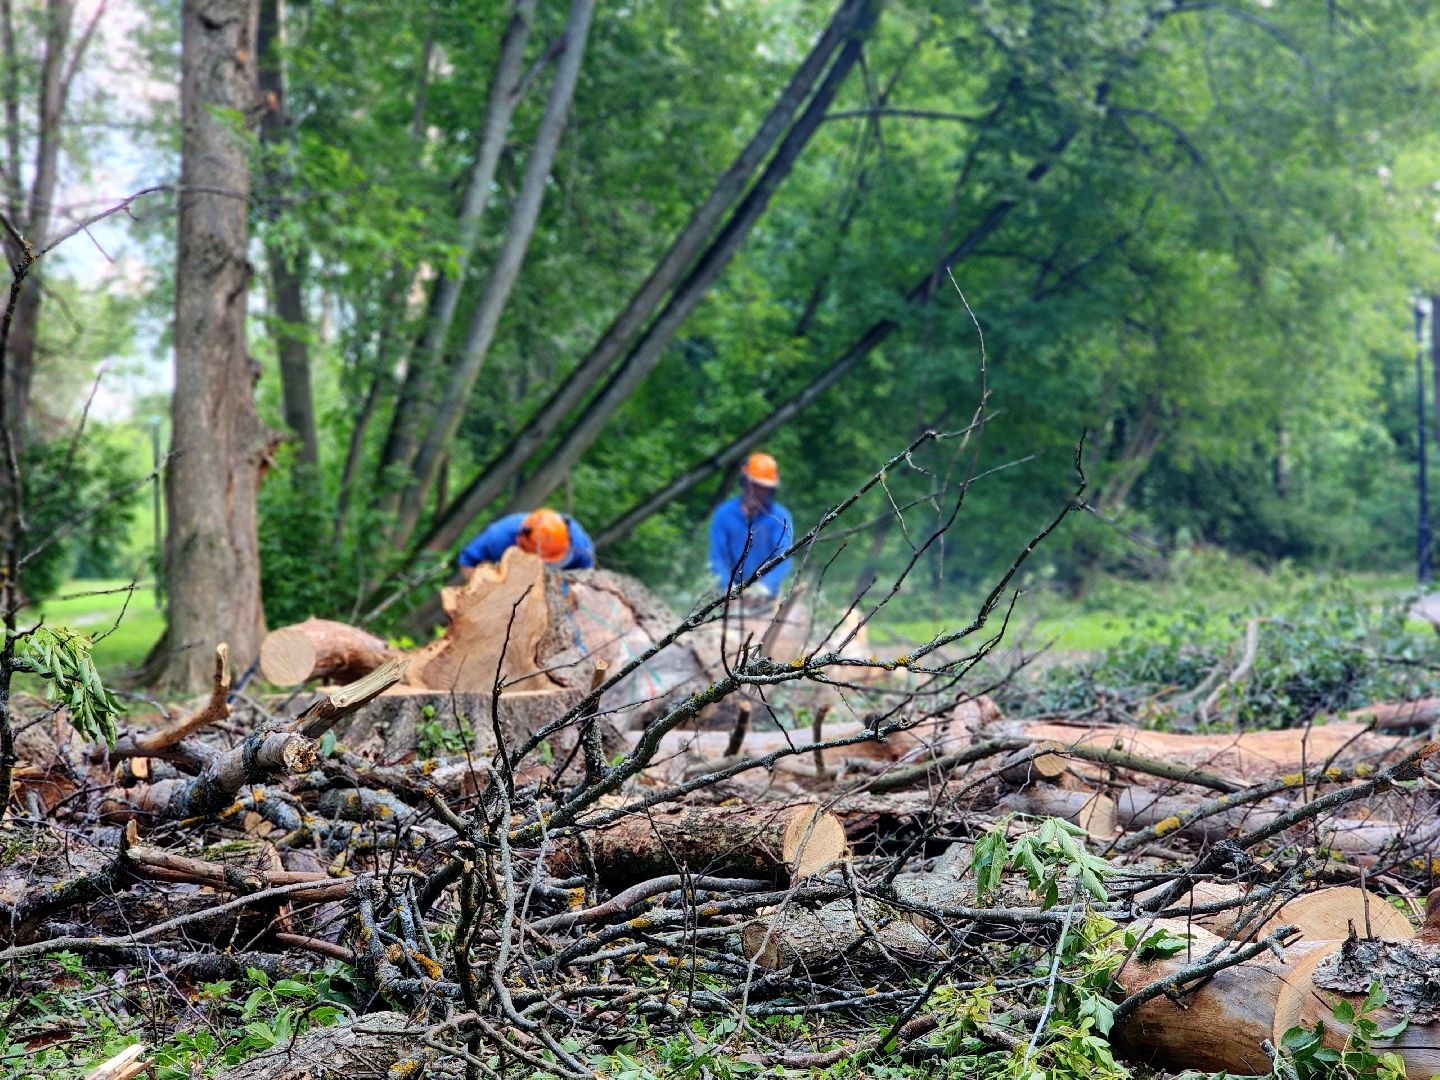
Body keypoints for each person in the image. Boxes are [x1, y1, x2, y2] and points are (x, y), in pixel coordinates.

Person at [709, 452, 794, 603]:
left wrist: (764, 587)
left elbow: (783, 557)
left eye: (764, 487)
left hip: (766, 595)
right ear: (744, 482)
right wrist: (727, 586)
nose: (759, 491)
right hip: (728, 593)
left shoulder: (780, 518)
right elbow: (717, 557)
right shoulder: (724, 514)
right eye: (755, 485)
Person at [458, 507, 595, 578]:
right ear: (520, 541)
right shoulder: (499, 536)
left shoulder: (580, 546)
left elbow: (586, 577)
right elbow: (467, 562)